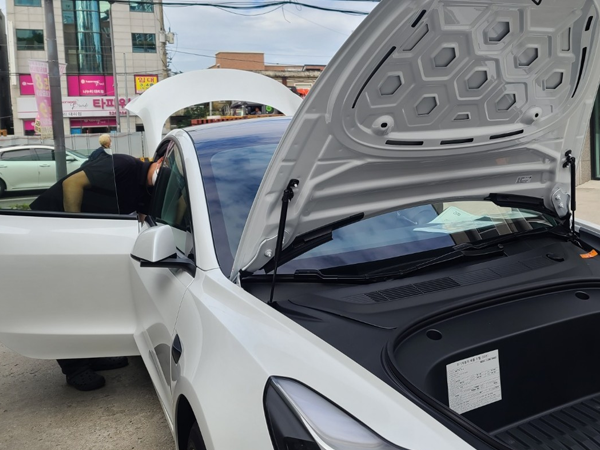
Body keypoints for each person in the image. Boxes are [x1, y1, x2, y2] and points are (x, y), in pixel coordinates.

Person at [30, 153, 163, 390]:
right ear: (159, 161)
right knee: (67, 300)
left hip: (87, 239)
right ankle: (75, 368)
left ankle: (92, 354)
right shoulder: (124, 165)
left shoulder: (149, 190)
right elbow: (72, 184)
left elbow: (142, 220)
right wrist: (77, 234)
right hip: (53, 229)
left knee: (89, 297)